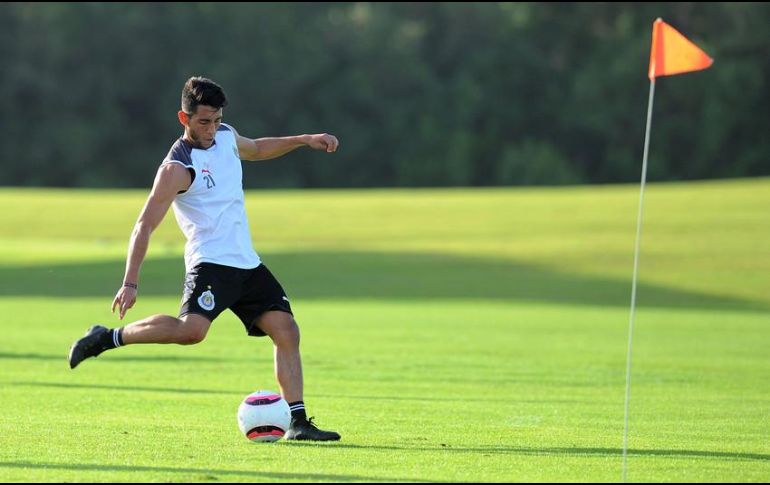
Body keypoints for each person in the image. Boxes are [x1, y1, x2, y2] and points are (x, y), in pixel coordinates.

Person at [68, 76, 341, 441]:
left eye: (216, 119)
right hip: (210, 263)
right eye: (203, 122)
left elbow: (257, 148)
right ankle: (107, 337)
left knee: (286, 330)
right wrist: (130, 281)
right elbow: (144, 225)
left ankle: (299, 423)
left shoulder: (226, 135)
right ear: (184, 119)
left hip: (247, 262)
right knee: (191, 332)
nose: (212, 129)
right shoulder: (176, 169)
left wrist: (303, 140)